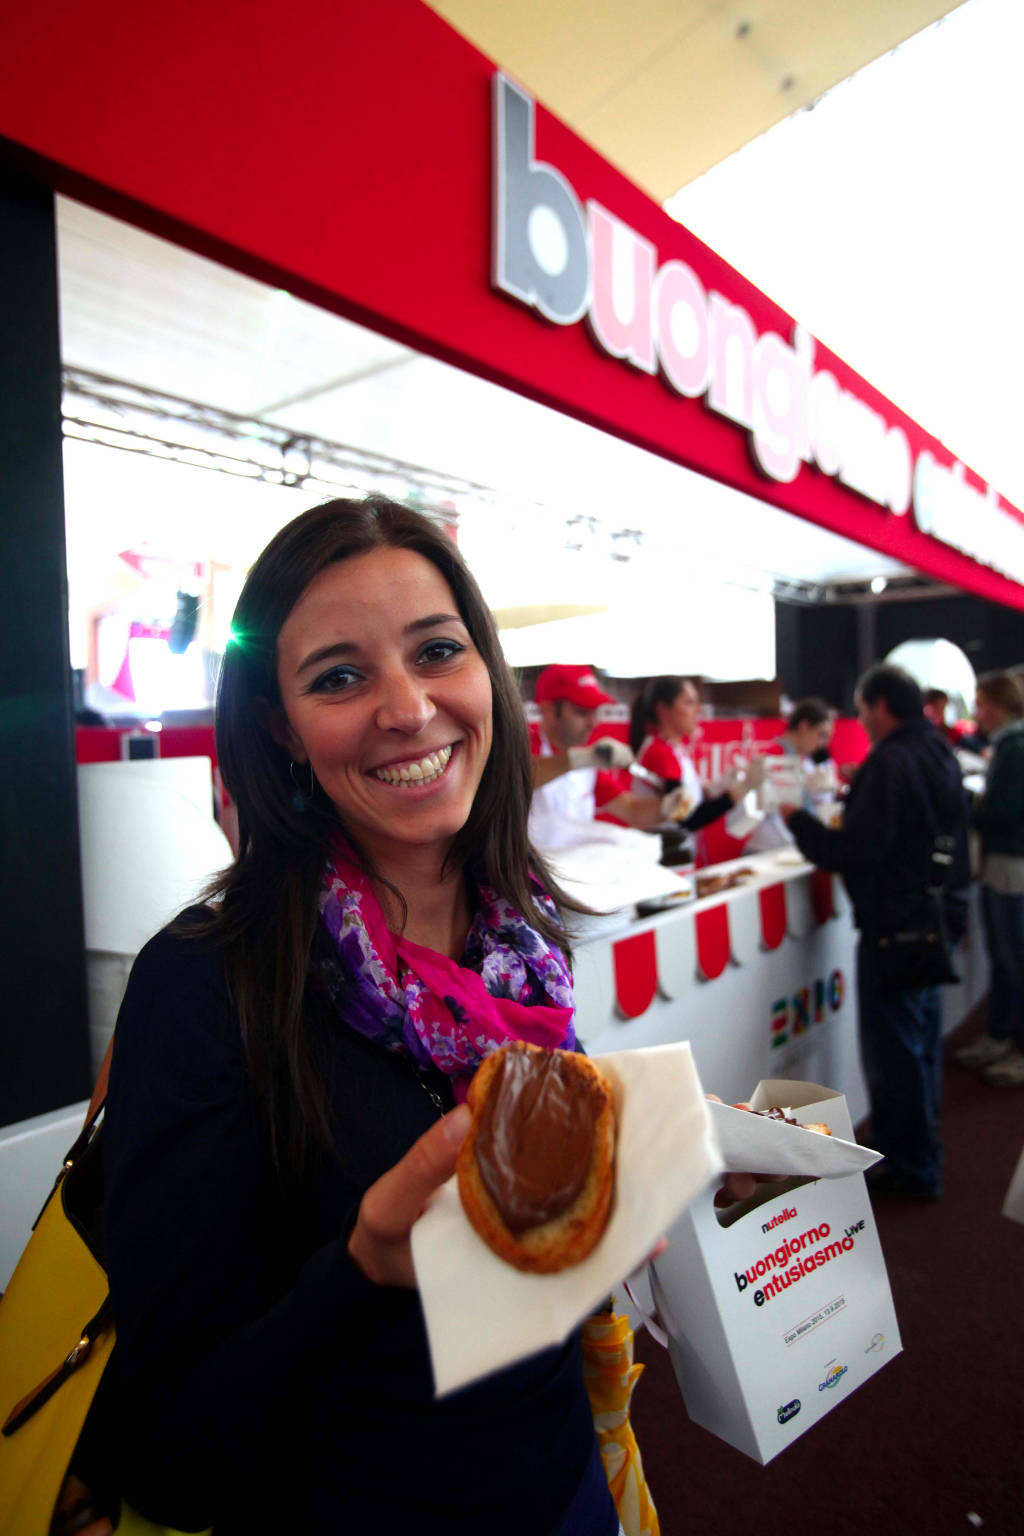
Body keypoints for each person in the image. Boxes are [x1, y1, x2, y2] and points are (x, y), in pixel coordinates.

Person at [85, 497, 758, 1536]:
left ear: (487, 673)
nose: (406, 707)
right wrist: (361, 1273)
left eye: (436, 650)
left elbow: (528, 1291)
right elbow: (169, 1450)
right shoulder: (205, 988)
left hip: (561, 1490)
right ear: (282, 727)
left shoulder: (520, 952)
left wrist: (644, 1182)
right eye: (340, 677)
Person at [782, 664, 968, 1201]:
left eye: (861, 709)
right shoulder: (936, 750)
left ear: (880, 705)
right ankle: (920, 1152)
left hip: (895, 928)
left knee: (896, 1055)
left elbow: (854, 851)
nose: (857, 721)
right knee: (919, 1047)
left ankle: (911, 1166)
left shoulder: (890, 761)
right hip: (930, 920)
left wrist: (798, 820)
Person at [954, 671, 1024, 1086]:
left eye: (980, 704)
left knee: (1013, 960)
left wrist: (964, 800)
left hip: (1009, 865)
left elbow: (1004, 813)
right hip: (1006, 863)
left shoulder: (1014, 747)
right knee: (1005, 960)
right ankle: (1000, 1036)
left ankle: (1015, 1047)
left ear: (996, 704)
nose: (977, 714)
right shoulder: (1009, 745)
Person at [528, 662, 682, 849]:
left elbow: (631, 810)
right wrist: (583, 759)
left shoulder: (586, 765)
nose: (593, 722)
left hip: (571, 867)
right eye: (582, 712)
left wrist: (668, 806)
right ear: (548, 710)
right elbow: (520, 777)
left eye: (595, 712)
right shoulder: (523, 747)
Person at [628, 675, 764, 834]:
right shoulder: (660, 752)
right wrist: (741, 789)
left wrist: (716, 788)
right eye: (689, 703)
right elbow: (687, 817)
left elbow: (688, 800)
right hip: (664, 850)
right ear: (663, 709)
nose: (698, 710)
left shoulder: (674, 749)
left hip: (678, 849)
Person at [745, 697, 836, 853]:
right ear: (803, 727)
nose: (822, 744)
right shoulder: (774, 755)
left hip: (789, 849)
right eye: (821, 735)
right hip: (769, 850)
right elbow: (765, 807)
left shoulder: (804, 762)